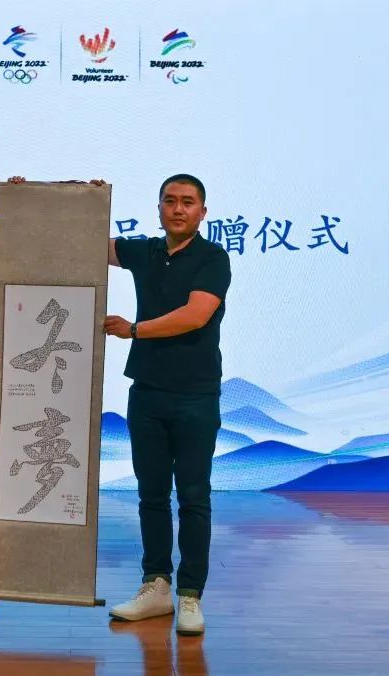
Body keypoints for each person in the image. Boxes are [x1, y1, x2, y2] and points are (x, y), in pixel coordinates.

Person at [104, 174, 231, 636]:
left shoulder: (213, 258)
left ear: (202, 211)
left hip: (196, 393)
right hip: (148, 391)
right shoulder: (145, 252)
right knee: (151, 495)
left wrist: (134, 330)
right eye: (170, 201)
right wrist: (81, 198)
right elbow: (85, 242)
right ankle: (156, 586)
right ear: (158, 208)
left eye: (188, 202)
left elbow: (196, 315)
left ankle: (190, 595)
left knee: (193, 496)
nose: (178, 209)